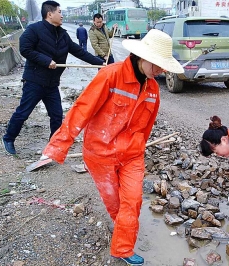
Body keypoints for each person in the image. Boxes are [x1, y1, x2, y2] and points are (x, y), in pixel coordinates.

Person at [41, 29, 184, 265]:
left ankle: (122, 248)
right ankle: (123, 235)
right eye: (157, 65)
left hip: (132, 155)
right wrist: (58, 146)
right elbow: (81, 110)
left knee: (133, 200)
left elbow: (146, 128)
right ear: (142, 57)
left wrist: (139, 147)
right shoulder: (111, 75)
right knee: (116, 205)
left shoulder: (153, 89)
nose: (161, 70)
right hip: (101, 154)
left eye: (163, 66)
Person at [1, 0, 104, 155]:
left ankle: (53, 146)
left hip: (51, 83)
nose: (61, 15)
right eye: (59, 12)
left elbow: (79, 52)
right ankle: (8, 138)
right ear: (50, 14)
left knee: (56, 116)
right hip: (34, 81)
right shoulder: (34, 30)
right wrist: (45, 60)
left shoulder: (62, 34)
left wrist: (101, 63)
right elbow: (25, 48)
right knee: (23, 112)